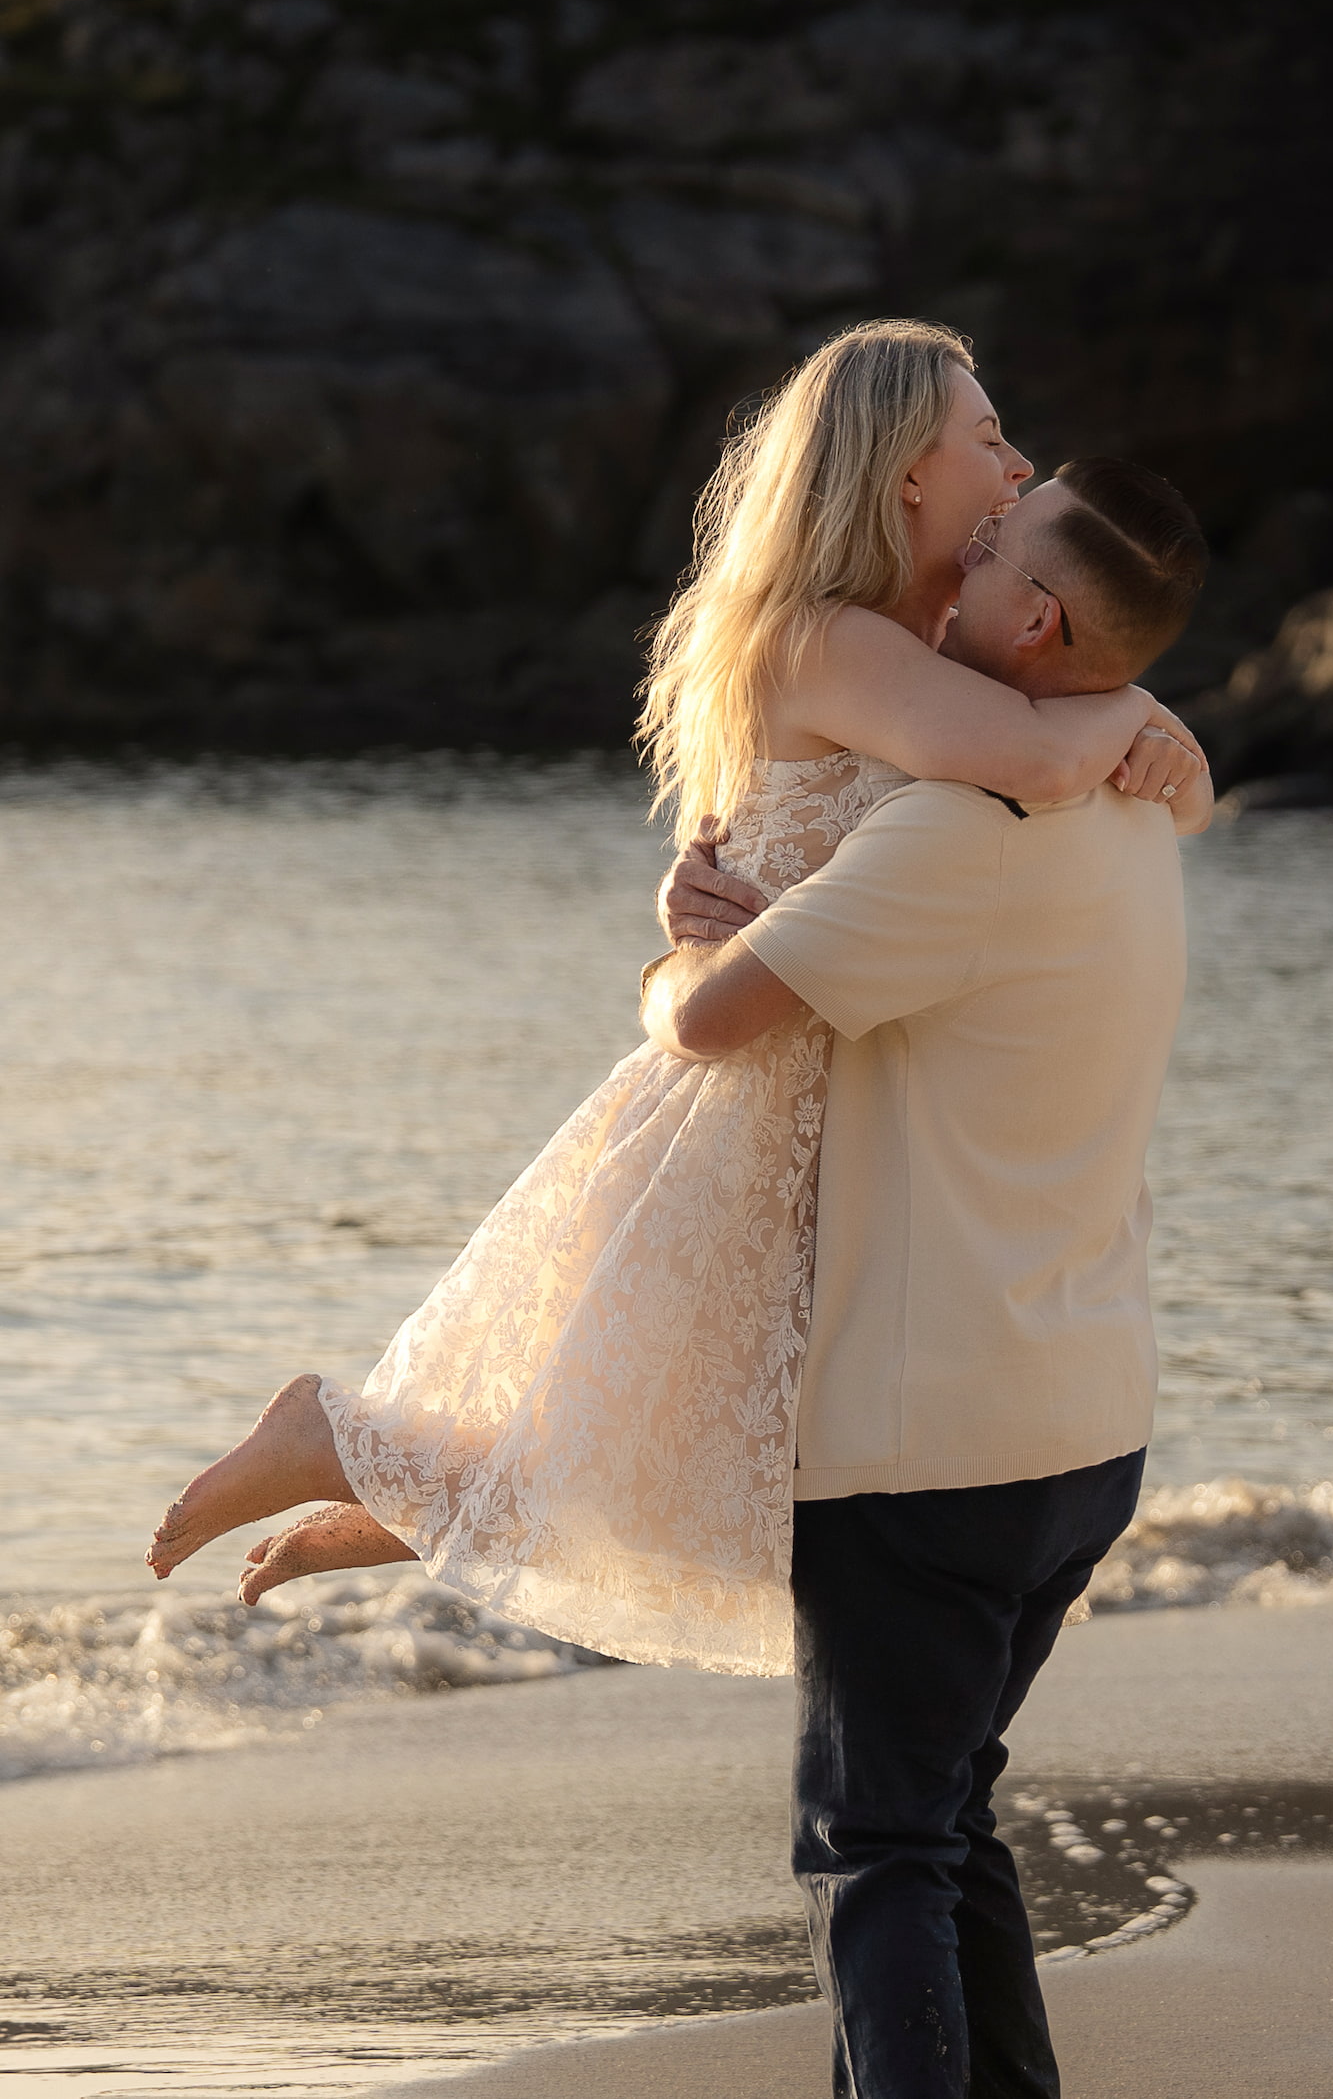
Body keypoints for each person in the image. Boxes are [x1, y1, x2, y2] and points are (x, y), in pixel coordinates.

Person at [142, 319, 1209, 1683]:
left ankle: (387, 1497)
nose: (1013, 463)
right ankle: (340, 1441)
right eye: (987, 436)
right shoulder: (822, 637)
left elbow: (1073, 751)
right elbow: (1028, 757)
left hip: (827, 1071)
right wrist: (1132, 716)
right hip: (757, 1086)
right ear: (903, 480)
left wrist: (1143, 725)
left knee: (690, 1463)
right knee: (687, 1463)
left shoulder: (928, 635)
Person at [644, 455, 1205, 2098]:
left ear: (1035, 619)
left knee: (872, 1851)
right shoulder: (1132, 810)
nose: (961, 551)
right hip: (1087, 1429)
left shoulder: (955, 839)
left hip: (925, 1445)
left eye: (997, 548)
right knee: (944, 1819)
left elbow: (702, 1026)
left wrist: (695, 930)